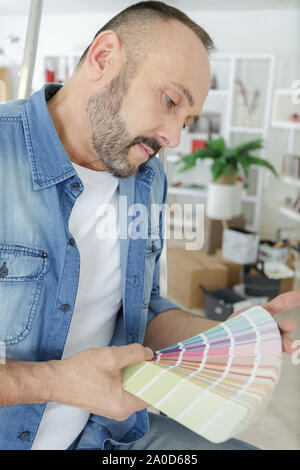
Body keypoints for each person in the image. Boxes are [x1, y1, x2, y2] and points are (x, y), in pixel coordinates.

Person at [0, 1, 298, 451]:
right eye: (170, 100)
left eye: (187, 119)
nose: (173, 138)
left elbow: (144, 310)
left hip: (108, 436)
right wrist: (56, 381)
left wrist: (240, 335)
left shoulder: (147, 177)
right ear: (103, 58)